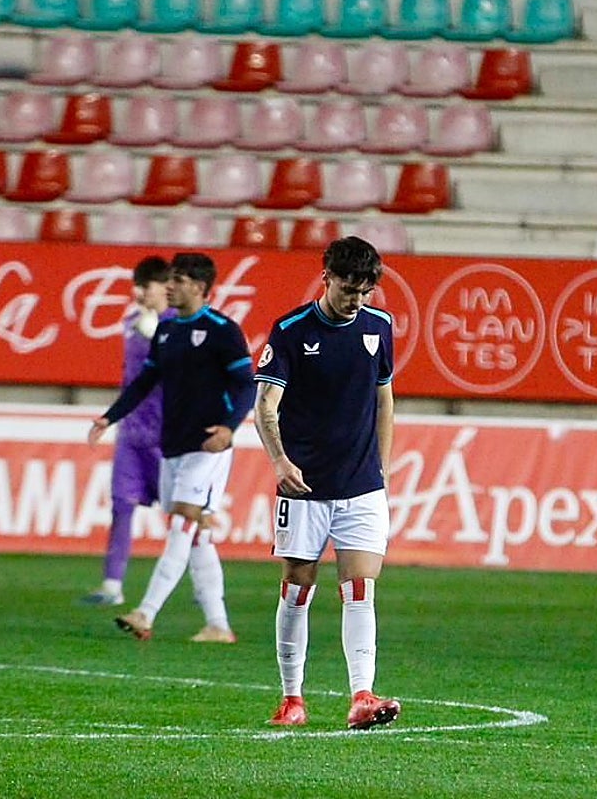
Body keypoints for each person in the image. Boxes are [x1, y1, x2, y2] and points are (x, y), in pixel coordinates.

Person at [253, 236, 400, 730]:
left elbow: (384, 399)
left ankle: (362, 696)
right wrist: (280, 462)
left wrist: (381, 468)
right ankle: (292, 699)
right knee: (298, 588)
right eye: (347, 288)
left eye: (364, 291)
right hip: (305, 487)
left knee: (360, 588)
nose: (355, 300)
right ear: (326, 278)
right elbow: (265, 405)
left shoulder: (379, 327)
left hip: (362, 485)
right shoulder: (291, 331)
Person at [87, 252, 253, 644]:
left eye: (176, 280)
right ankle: (218, 625)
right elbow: (145, 382)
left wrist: (228, 429)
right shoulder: (167, 331)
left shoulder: (222, 330)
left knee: (182, 524)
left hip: (207, 447)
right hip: (172, 446)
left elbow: (246, 384)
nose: (169, 287)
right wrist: (109, 417)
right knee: (197, 536)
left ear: (198, 286)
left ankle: (145, 612)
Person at [81, 255, 174, 607]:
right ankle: (112, 585)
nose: (139, 292)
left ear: (164, 287)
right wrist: (111, 417)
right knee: (122, 504)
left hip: (168, 434)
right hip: (132, 432)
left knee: (187, 515)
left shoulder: (177, 325)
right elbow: (130, 376)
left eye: (146, 286)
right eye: (137, 285)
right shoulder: (132, 322)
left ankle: (205, 583)